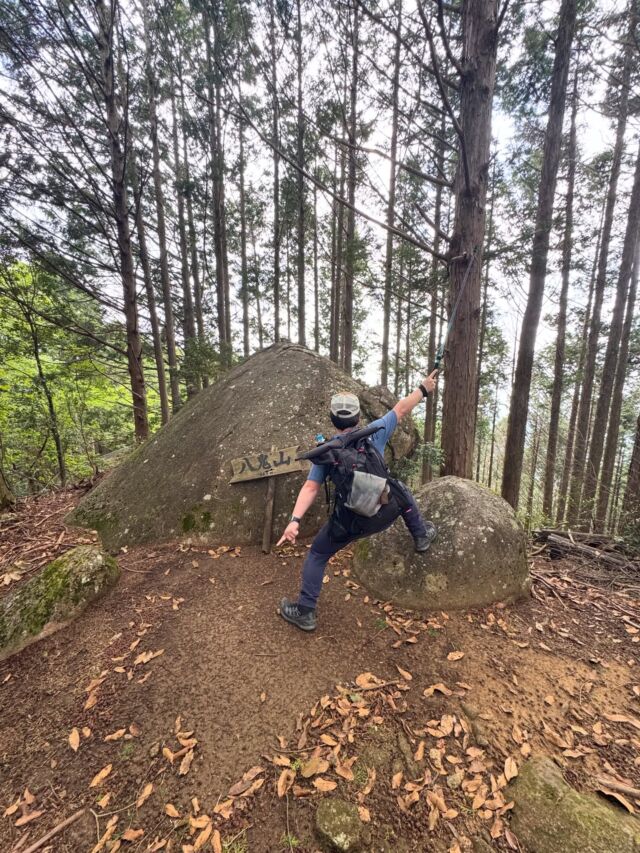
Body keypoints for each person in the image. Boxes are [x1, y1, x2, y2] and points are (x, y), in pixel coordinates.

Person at [277, 370, 439, 631]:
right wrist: (424, 388)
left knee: (317, 554)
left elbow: (310, 487)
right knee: (399, 489)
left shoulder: (328, 453)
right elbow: (400, 409)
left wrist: (295, 521)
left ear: (332, 419)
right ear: (358, 417)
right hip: (384, 512)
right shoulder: (375, 434)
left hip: (350, 521)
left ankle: (305, 612)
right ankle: (421, 534)